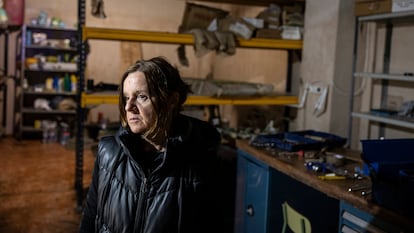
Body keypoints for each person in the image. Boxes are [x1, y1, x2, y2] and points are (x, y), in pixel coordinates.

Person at [79, 56, 222, 233]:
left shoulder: (200, 160)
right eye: (126, 98)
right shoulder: (109, 151)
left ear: (172, 101)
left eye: (141, 97)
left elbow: (211, 224)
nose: (128, 107)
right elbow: (91, 215)